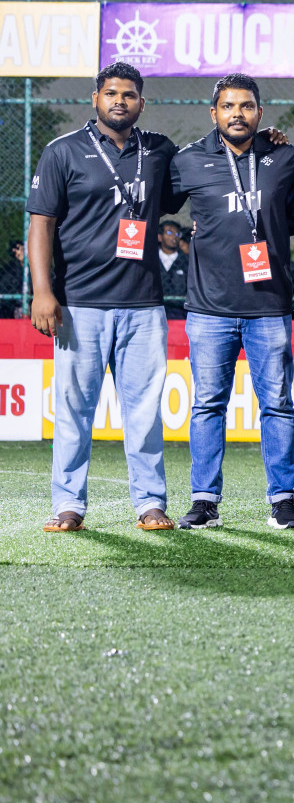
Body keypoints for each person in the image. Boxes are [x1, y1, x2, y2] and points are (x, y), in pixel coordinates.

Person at [27, 62, 179, 532]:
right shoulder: (62, 152)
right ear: (95, 98)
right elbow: (41, 226)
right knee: (73, 409)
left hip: (143, 304)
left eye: (129, 94)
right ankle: (69, 504)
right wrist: (43, 291)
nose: (120, 101)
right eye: (111, 93)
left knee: (144, 412)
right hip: (79, 305)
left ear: (141, 102)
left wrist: (264, 142)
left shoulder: (158, 151)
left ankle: (150, 504)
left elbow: (211, 163)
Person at [167, 73, 294, 531]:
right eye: (228, 106)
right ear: (214, 113)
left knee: (279, 405)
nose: (237, 114)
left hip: (268, 305)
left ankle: (283, 500)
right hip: (209, 308)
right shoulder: (188, 160)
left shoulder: (285, 156)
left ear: (259, 113)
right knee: (208, 403)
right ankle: (205, 500)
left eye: (246, 106)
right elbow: (156, 202)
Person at [156, 222, 189, 320]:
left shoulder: (187, 261)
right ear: (160, 237)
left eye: (177, 233)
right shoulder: (150, 259)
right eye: (169, 232)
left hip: (180, 313)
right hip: (154, 311)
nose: (174, 236)